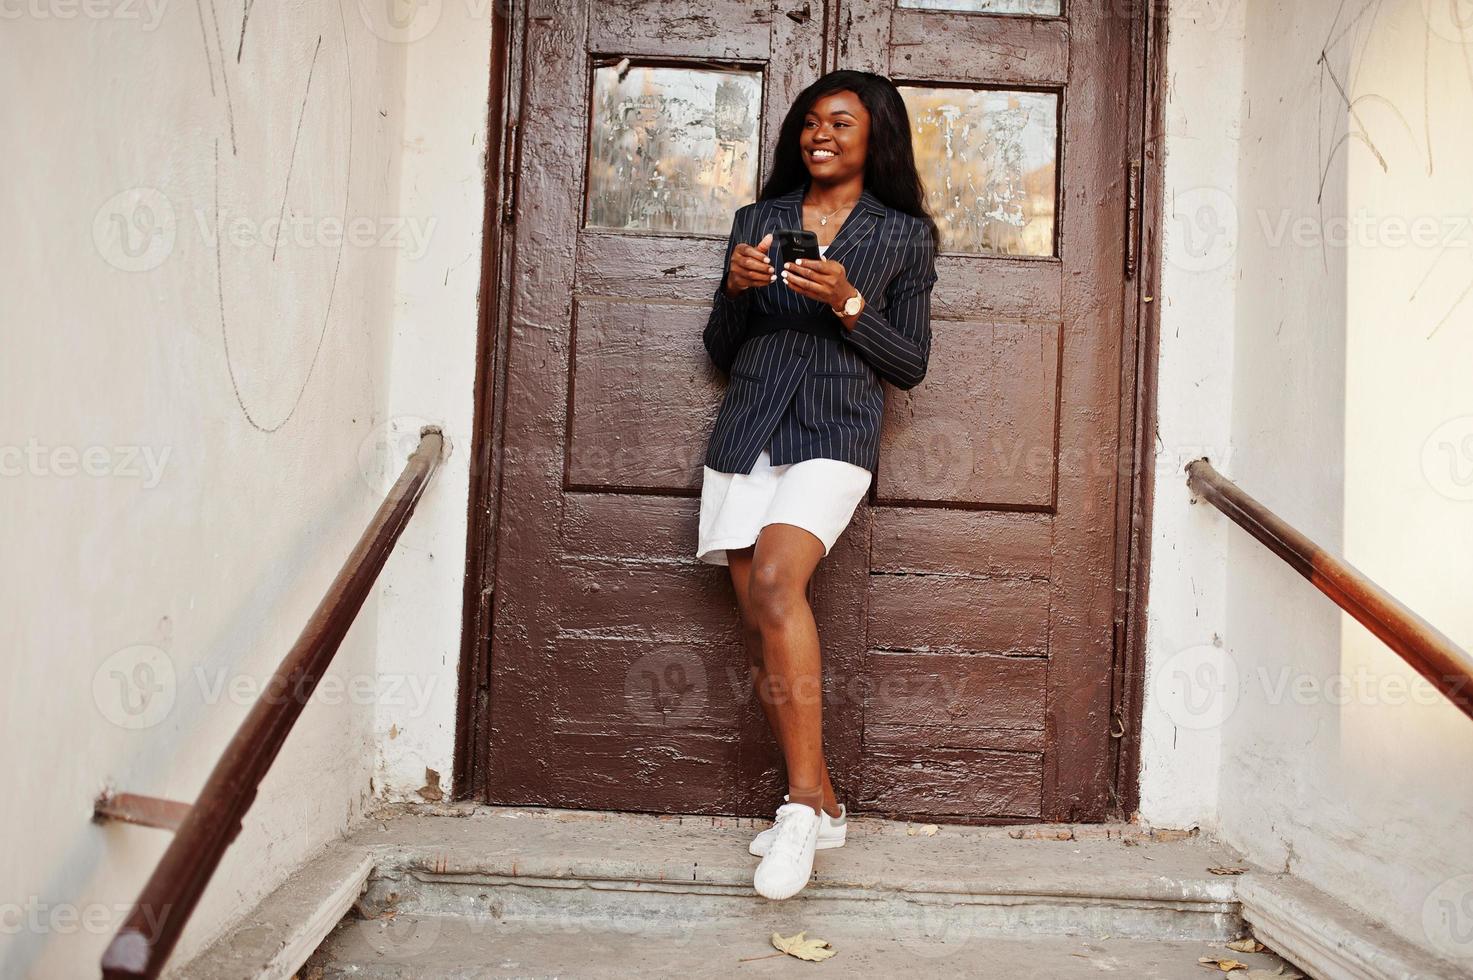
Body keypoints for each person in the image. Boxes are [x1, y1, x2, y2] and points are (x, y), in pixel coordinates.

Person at [697, 69, 940, 901]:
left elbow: (908, 365)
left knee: (775, 581)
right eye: (808, 122)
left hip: (834, 435)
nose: (818, 134)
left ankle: (800, 807)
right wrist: (733, 294)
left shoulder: (903, 236)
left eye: (839, 121)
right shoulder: (759, 222)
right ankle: (825, 801)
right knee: (764, 618)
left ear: (875, 135)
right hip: (747, 432)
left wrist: (847, 303)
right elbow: (721, 349)